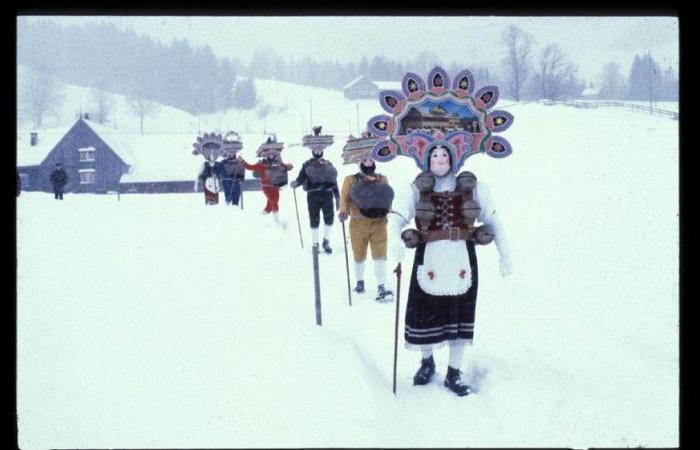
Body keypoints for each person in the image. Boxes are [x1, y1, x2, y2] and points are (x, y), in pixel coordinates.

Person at [389, 144, 512, 396]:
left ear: (454, 157)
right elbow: (396, 216)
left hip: (461, 260)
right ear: (426, 159)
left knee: (460, 318)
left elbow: (493, 218)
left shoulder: (473, 188)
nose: (440, 158)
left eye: (445, 154)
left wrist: (505, 253)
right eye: (434, 155)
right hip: (429, 258)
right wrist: (394, 243)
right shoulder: (414, 188)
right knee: (423, 313)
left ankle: (454, 372)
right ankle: (426, 362)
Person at [338, 156, 395, 302]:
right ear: (359, 162)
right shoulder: (350, 180)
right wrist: (343, 211)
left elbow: (387, 197)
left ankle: (381, 285)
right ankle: (359, 282)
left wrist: (389, 210)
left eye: (370, 160)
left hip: (379, 222)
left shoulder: (382, 179)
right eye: (365, 160)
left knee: (380, 254)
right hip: (358, 223)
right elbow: (344, 197)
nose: (368, 163)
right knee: (359, 254)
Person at [290, 146, 340, 253]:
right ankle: (315, 243)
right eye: (316, 149)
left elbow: (333, 181)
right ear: (312, 150)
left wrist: (337, 197)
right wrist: (296, 183)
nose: (318, 151)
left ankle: (326, 241)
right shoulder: (306, 165)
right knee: (314, 219)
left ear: (322, 150)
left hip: (327, 194)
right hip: (312, 195)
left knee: (329, 219)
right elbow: (301, 178)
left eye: (320, 149)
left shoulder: (328, 164)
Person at [239, 150, 292, 224]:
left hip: (275, 185)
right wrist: (242, 161)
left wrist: (289, 166)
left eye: (272, 155)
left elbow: (286, 167)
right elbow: (250, 167)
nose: (271, 156)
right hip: (266, 186)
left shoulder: (278, 163)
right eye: (269, 155)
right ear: (267, 156)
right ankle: (277, 219)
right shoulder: (261, 164)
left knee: (275, 200)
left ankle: (264, 214)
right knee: (273, 201)